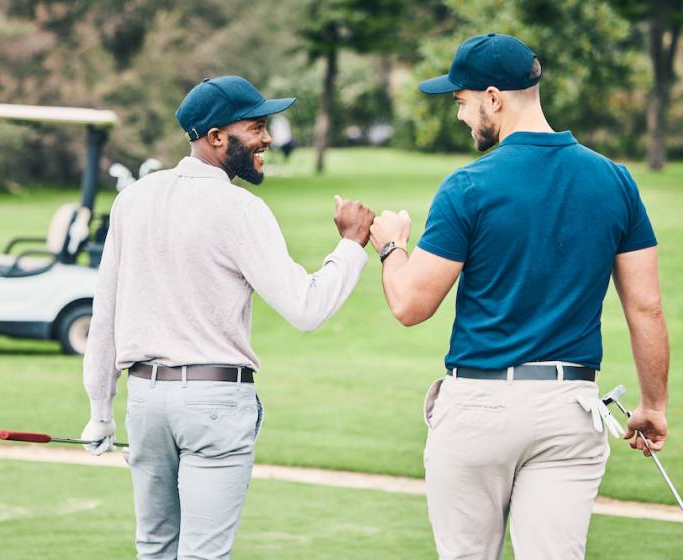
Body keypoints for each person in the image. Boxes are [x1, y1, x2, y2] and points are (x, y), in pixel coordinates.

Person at [369, 33, 669, 559]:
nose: (460, 116)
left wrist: (392, 245)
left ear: (493, 97)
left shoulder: (468, 186)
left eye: (462, 102)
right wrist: (653, 406)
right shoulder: (616, 181)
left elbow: (410, 306)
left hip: (480, 406)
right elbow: (646, 307)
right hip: (570, 408)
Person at [81, 75, 375, 560]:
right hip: (213, 402)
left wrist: (99, 411)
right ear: (216, 137)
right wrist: (351, 245)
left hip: (146, 401)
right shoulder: (241, 209)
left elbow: (105, 312)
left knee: (153, 549)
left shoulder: (132, 199)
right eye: (256, 128)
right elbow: (306, 309)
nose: (268, 139)